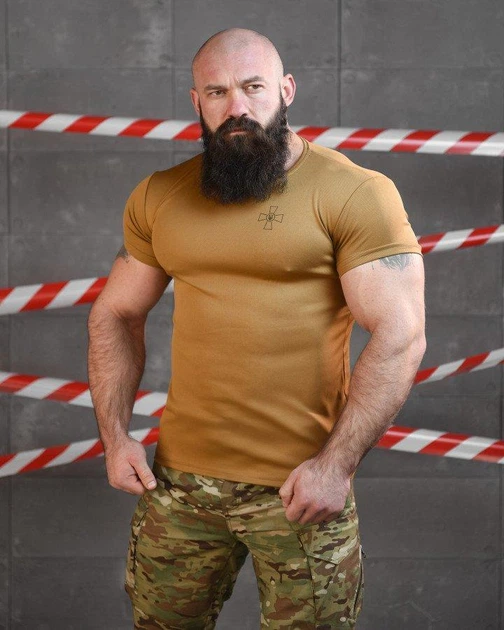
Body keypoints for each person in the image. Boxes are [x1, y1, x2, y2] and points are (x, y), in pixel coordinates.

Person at [87, 27, 426, 630]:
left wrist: (336, 467)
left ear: (286, 90)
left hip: (300, 490)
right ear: (196, 101)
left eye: (253, 87)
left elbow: (401, 335)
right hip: (179, 489)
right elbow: (115, 313)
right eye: (217, 92)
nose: (236, 107)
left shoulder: (356, 193)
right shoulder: (160, 196)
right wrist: (116, 439)